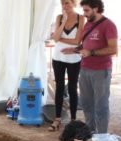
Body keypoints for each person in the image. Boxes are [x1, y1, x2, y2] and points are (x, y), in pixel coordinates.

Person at [78, 0, 117, 133]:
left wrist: (92, 52)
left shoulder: (108, 25)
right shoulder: (88, 24)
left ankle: (102, 136)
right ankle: (90, 131)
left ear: (96, 8)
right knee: (86, 103)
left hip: (101, 71)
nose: (84, 14)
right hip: (84, 68)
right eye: (83, 10)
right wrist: (74, 50)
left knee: (101, 105)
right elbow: (86, 46)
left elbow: (113, 49)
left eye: (87, 10)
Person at [49, 0, 85, 132]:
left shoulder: (81, 18)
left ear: (74, 3)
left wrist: (59, 39)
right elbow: (55, 38)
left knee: (72, 88)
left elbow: (77, 41)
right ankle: (57, 119)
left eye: (68, 3)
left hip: (74, 58)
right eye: (63, 3)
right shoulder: (59, 17)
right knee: (59, 87)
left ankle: (73, 120)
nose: (65, 6)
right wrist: (63, 22)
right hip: (58, 57)